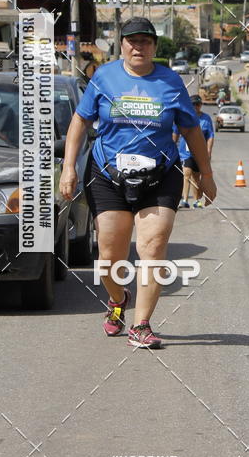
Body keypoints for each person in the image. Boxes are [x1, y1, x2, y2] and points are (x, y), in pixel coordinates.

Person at [59, 17, 216, 348]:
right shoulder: (104, 77)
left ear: (155, 47)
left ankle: (141, 324)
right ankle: (117, 300)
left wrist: (206, 174)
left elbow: (191, 131)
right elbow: (80, 121)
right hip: (108, 175)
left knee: (153, 247)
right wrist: (68, 167)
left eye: (145, 41)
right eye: (132, 40)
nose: (138, 46)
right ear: (122, 45)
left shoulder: (171, 82)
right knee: (109, 257)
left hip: (161, 175)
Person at [174, 94, 215, 208]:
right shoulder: (185, 116)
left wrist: (208, 151)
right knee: (186, 173)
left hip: (199, 152)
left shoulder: (206, 119)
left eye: (198, 104)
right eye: (194, 104)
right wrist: (172, 146)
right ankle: (184, 200)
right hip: (185, 152)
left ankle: (197, 200)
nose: (196, 107)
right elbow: (175, 132)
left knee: (196, 177)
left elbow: (210, 136)